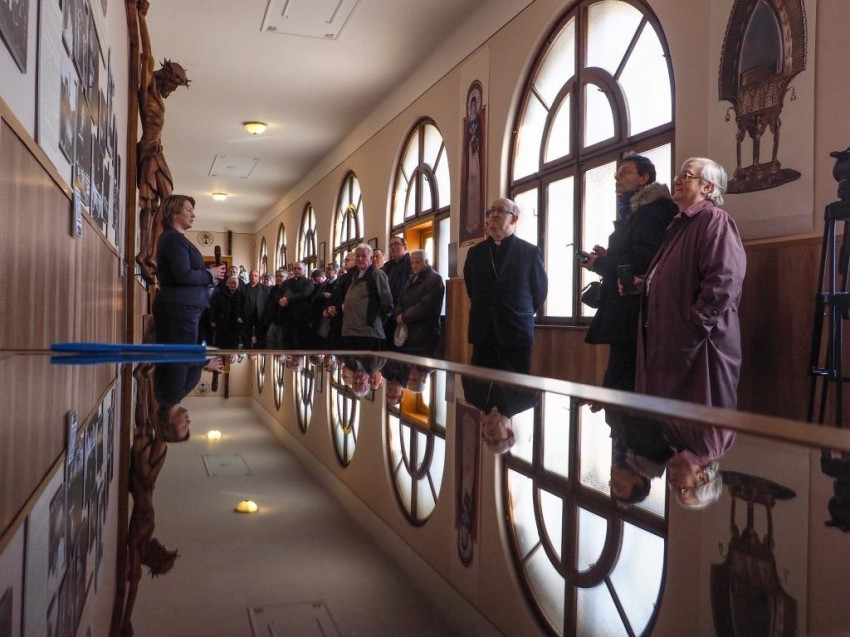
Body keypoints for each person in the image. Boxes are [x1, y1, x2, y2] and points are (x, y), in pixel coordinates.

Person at [580, 153, 677, 392]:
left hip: (636, 312)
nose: (617, 177)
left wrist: (599, 264)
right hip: (629, 310)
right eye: (617, 172)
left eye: (625, 172)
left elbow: (643, 261)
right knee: (620, 382)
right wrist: (607, 257)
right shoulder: (637, 211)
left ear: (644, 178)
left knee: (624, 384)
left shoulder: (652, 212)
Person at [134, 0, 191, 284]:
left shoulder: (155, 95)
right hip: (151, 151)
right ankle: (149, 254)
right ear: (166, 78)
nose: (171, 91)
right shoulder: (148, 86)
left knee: (158, 203)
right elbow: (146, 54)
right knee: (163, 203)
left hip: (155, 151)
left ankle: (148, 253)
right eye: (172, 86)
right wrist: (141, 17)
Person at [463, 197, 548, 374]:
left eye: (500, 210)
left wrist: (518, 310)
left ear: (514, 219)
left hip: (515, 330)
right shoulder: (476, 252)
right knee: (481, 382)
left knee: (515, 387)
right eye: (491, 211)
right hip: (483, 331)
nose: (494, 215)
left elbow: (539, 291)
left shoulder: (529, 252)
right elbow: (471, 286)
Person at [153, 195, 225, 344]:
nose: (193, 215)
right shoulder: (173, 239)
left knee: (188, 356)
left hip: (184, 307)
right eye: (188, 210)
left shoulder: (175, 238)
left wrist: (207, 270)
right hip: (180, 309)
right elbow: (182, 274)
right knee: (180, 358)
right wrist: (209, 274)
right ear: (174, 212)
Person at [329, 243, 393, 350]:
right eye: (358, 256)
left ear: (371, 258)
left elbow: (387, 302)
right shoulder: (354, 274)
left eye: (363, 256)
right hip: (351, 330)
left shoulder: (377, 274)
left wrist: (375, 321)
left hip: (368, 331)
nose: (360, 259)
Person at [393, 250, 445, 356]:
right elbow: (401, 298)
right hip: (409, 331)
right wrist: (398, 312)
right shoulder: (412, 278)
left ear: (426, 262)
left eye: (417, 262)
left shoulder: (435, 279)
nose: (414, 266)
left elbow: (426, 305)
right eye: (412, 263)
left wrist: (405, 316)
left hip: (425, 332)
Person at [382, 236, 411, 348]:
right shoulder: (388, 266)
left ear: (404, 246)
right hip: (388, 313)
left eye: (396, 244)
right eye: (390, 245)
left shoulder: (411, 264)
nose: (392, 247)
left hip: (403, 313)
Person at [211, 276, 244, 348]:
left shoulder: (241, 295)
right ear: (227, 284)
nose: (233, 285)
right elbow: (214, 307)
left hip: (235, 324)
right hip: (221, 322)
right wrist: (212, 320)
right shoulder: (220, 294)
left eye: (235, 283)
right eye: (231, 283)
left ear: (238, 285)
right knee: (220, 343)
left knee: (233, 343)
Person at [241, 269, 268, 348]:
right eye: (252, 275)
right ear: (249, 277)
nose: (253, 277)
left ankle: (258, 352)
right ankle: (246, 351)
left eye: (255, 276)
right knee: (246, 337)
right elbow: (239, 303)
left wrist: (266, 317)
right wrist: (239, 316)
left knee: (260, 337)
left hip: (260, 316)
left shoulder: (264, 288)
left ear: (259, 277)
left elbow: (267, 303)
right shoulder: (243, 288)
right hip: (247, 316)